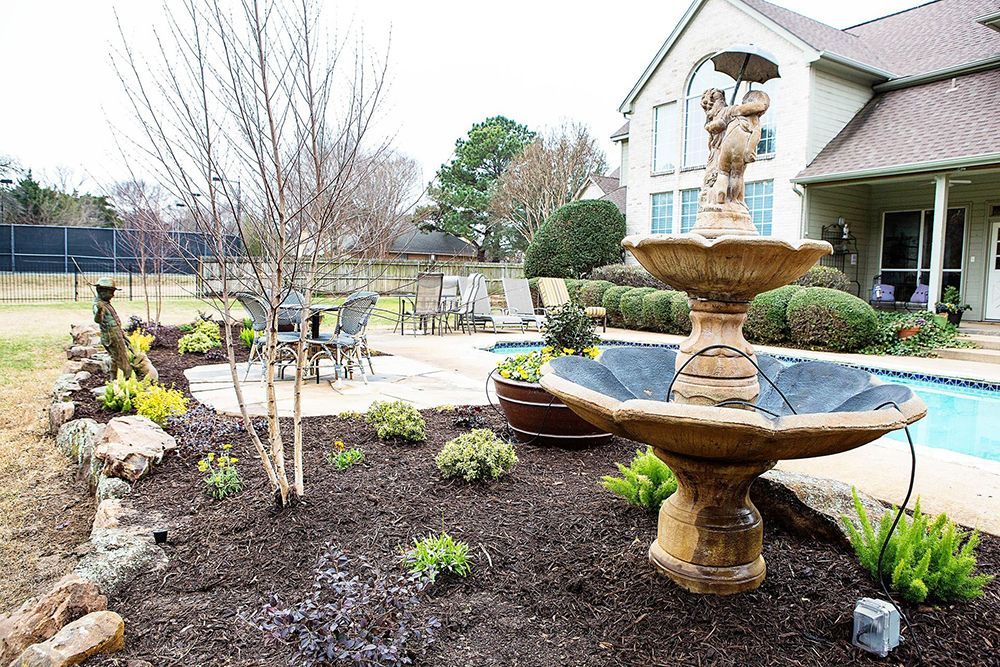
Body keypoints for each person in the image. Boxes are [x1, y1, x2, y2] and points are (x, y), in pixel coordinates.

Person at [709, 89, 770, 210]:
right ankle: (734, 200)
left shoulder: (734, 111)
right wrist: (750, 151)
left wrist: (710, 126)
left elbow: (720, 124)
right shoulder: (754, 119)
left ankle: (721, 193)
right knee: (737, 175)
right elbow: (756, 135)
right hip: (741, 146)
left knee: (723, 171)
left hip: (727, 143)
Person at [92, 277, 133, 379]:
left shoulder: (106, 303)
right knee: (123, 360)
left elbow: (114, 322)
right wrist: (99, 310)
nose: (113, 295)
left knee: (114, 358)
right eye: (111, 292)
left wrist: (122, 335)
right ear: (101, 291)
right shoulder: (98, 305)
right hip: (111, 336)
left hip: (116, 333)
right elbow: (98, 320)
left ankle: (113, 379)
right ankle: (128, 382)